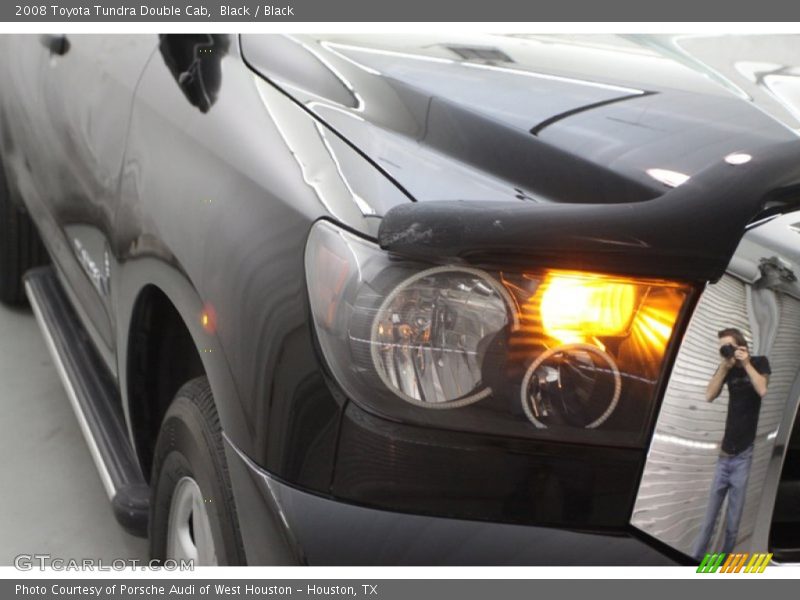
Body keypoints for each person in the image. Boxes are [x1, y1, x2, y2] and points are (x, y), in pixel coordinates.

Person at [692, 327, 770, 560]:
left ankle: (724, 569)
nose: (725, 350)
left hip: (744, 455)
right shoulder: (725, 367)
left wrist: (746, 364)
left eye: (729, 346)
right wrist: (724, 367)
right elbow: (709, 395)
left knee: (733, 524)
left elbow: (762, 390)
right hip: (724, 455)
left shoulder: (759, 362)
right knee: (708, 522)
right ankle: (691, 567)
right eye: (722, 348)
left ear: (740, 345)